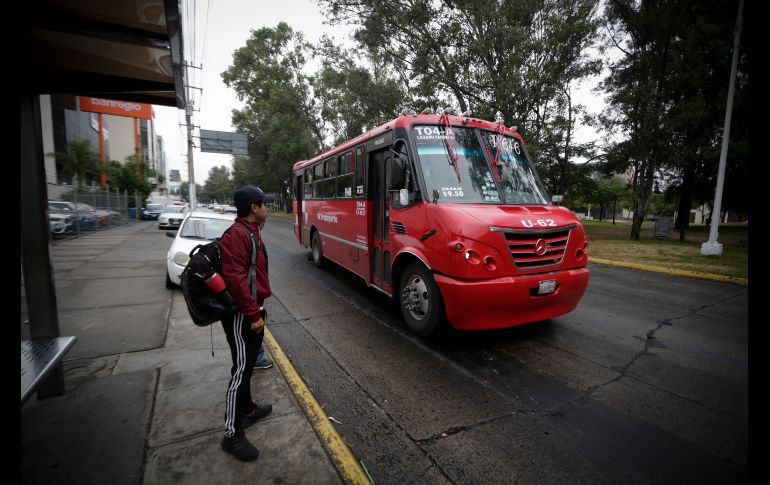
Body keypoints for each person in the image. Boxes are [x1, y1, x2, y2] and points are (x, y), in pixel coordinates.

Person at [219, 185, 275, 461]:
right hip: (243, 315)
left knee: (247, 366)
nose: (268, 206)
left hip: (254, 309)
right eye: (264, 203)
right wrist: (253, 315)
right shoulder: (236, 236)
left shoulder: (250, 230)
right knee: (240, 371)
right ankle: (231, 433)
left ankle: (248, 410)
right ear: (253, 207)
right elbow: (236, 280)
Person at [254, 219, 273, 370]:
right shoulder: (248, 238)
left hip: (257, 295)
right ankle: (257, 359)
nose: (265, 221)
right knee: (256, 328)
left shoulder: (257, 238)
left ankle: (256, 357)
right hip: (253, 297)